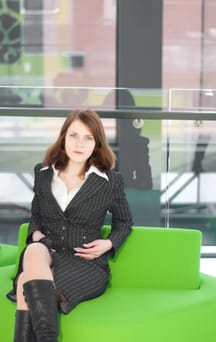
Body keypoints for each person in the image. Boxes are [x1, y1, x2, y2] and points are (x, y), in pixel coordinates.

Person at [8, 108, 133, 342]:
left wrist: (108, 244)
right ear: (63, 136)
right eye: (74, 135)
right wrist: (35, 232)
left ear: (96, 144)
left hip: (84, 264)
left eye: (88, 138)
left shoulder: (110, 182)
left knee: (27, 280)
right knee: (34, 249)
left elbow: (124, 222)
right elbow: (37, 212)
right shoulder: (43, 173)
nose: (80, 144)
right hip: (45, 252)